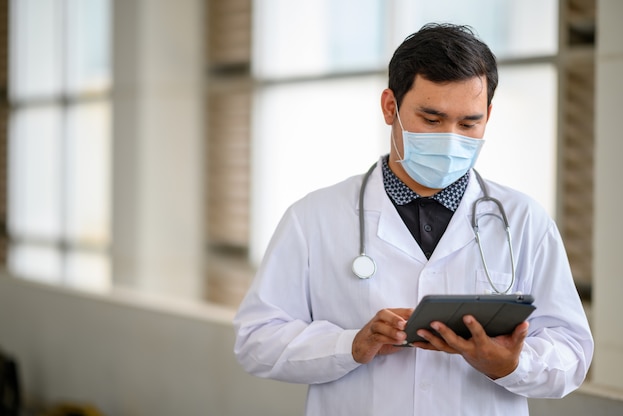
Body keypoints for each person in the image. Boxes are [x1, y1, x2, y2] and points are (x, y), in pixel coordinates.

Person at [233, 23, 593, 415]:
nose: (451, 138)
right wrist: (351, 345)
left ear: (488, 115)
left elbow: (572, 351)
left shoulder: (524, 221)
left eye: (469, 123)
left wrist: (510, 364)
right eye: (432, 119)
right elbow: (256, 341)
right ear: (391, 107)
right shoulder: (314, 218)